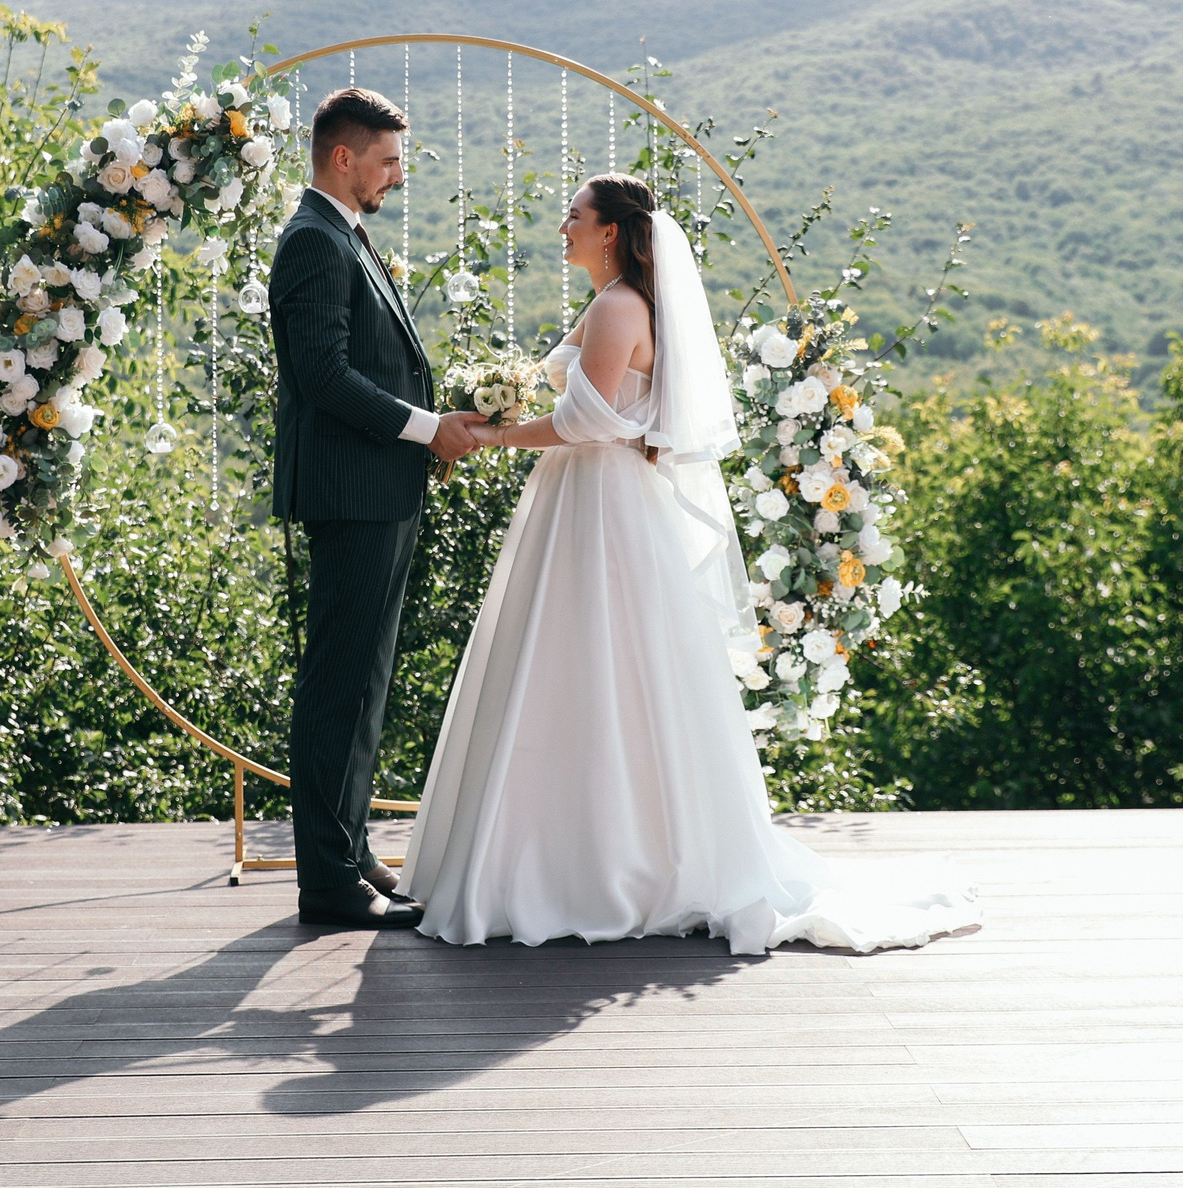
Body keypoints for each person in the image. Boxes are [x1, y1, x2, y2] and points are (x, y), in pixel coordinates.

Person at [402, 173, 978, 953]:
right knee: (606, 667)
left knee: (587, 659)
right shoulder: (613, 302)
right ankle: (607, 848)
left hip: (598, 503)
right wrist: (493, 394)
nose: (562, 226)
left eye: (574, 215)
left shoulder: (616, 306)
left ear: (609, 230)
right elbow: (575, 390)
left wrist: (491, 436)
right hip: (600, 498)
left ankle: (591, 865)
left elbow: (586, 418)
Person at [267, 88, 482, 930]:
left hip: (378, 490)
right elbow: (321, 375)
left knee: (366, 685)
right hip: (352, 494)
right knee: (337, 687)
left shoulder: (343, 235)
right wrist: (429, 429)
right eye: (390, 160)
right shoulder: (313, 241)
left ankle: (349, 851)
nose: (399, 175)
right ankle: (326, 882)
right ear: (342, 158)